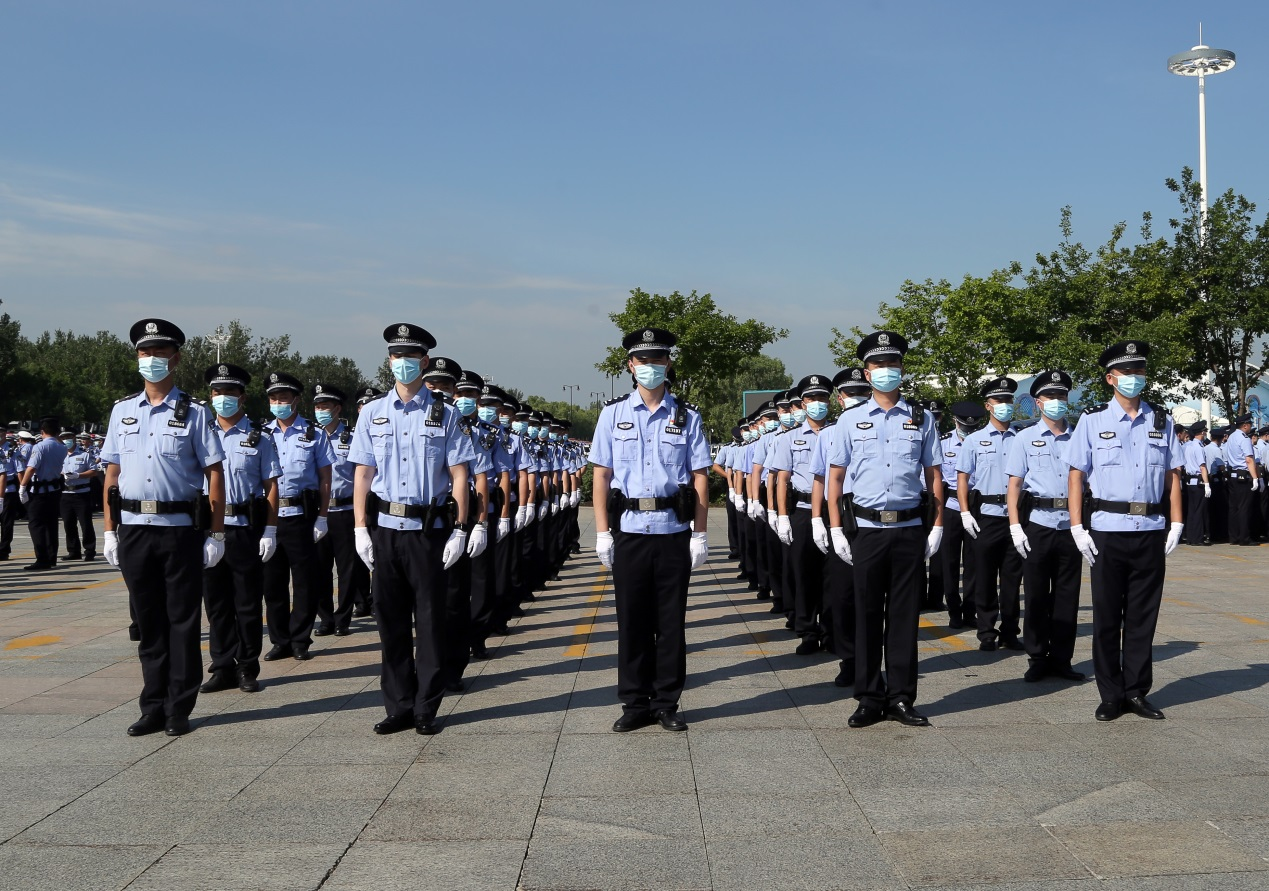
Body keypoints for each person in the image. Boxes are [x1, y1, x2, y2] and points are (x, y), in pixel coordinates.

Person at [100, 318, 226, 737]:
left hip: (179, 530)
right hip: (135, 529)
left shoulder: (196, 413)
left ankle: (179, 706)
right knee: (148, 622)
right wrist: (110, 530)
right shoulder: (122, 411)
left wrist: (216, 533)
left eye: (159, 352)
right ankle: (152, 704)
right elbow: (112, 476)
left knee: (182, 621)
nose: (151, 359)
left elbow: (214, 475)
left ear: (176, 358)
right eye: (144, 352)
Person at [349, 323, 476, 735]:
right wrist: (359, 528)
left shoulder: (445, 413)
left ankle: (426, 706)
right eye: (395, 356)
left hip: (428, 529)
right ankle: (399, 705)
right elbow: (364, 474)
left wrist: (460, 528)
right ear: (389, 361)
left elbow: (459, 474)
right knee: (391, 621)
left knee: (431, 621)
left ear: (423, 361)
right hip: (386, 528)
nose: (402, 364)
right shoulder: (373, 413)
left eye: (410, 357)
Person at [591, 327, 711, 733]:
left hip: (672, 529)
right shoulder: (612, 415)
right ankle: (634, 702)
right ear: (630, 365)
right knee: (631, 620)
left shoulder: (687, 416)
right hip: (629, 530)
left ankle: (666, 702)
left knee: (671, 620)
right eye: (643, 360)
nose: (650, 367)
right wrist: (602, 531)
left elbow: (699, 479)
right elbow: (602, 477)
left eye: (658, 359)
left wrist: (700, 533)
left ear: (668, 364)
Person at [825, 332, 943, 728]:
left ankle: (902, 697)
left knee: (906, 616)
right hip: (867, 530)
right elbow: (835, 478)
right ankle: (869, 697)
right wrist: (837, 529)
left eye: (893, 364)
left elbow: (933, 474)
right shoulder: (849, 419)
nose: (886, 371)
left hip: (909, 527)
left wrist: (937, 525)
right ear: (866, 371)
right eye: (878, 365)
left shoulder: (921, 419)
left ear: (902, 370)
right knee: (867, 614)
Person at [1064, 340, 1184, 722]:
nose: (1135, 378)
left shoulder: (1160, 420)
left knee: (1142, 617)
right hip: (1107, 531)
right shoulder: (1092, 419)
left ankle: (1136, 691)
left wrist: (1177, 522)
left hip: (1150, 528)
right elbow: (1076, 476)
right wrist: (1076, 525)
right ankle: (1110, 694)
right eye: (1128, 372)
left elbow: (1172, 476)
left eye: (1140, 371)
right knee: (1107, 617)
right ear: (1110, 378)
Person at [200, 363, 281, 694]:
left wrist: (270, 531)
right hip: (208, 529)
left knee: (247, 603)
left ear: (242, 397)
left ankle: (247, 666)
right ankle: (221, 665)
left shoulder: (259, 438)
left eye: (229, 392)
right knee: (216, 603)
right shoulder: (200, 433)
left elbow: (272, 486)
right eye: (217, 392)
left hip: (245, 528)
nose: (223, 398)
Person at [1004, 370, 1086, 683]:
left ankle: (1062, 659)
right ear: (1038, 402)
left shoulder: (1080, 436)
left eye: (1062, 396)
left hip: (1071, 525)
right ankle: (1037, 657)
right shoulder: (1024, 437)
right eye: (1051, 397)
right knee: (1037, 595)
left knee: (1068, 596)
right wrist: (1015, 526)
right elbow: (1014, 485)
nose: (1057, 401)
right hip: (1037, 523)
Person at [262, 371, 335, 662]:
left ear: (295, 400)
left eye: (283, 397)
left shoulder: (313, 434)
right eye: (273, 397)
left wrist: (322, 516)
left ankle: (300, 638)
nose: (278, 402)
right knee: (273, 583)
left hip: (301, 516)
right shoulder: (261, 434)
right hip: (270, 518)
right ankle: (280, 640)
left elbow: (325, 478)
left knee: (305, 581)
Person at [810, 366, 873, 688]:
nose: (858, 399)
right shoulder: (830, 433)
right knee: (844, 594)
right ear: (839, 398)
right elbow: (821, 480)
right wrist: (819, 521)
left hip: (878, 520)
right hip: (845, 519)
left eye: (863, 392)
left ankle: (875, 660)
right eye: (851, 393)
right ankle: (850, 659)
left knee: (876, 597)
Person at [956, 377, 1023, 652]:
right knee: (984, 577)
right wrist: (964, 512)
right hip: (986, 515)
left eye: (1008, 400)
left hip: (1016, 517)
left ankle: (1010, 631)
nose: (1005, 405)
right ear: (988, 406)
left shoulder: (1023, 438)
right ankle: (986, 631)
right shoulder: (974, 440)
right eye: (999, 401)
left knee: (1012, 579)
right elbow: (963, 479)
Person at [770, 374, 834, 656]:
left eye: (822, 398)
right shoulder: (790, 439)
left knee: (833, 576)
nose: (816, 403)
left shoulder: (839, 433)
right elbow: (782, 479)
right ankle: (808, 630)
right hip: (803, 511)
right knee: (803, 573)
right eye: (811, 399)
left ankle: (833, 630)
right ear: (803, 403)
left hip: (835, 513)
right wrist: (781, 515)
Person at [312, 383, 369, 636]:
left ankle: (342, 618)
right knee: (320, 568)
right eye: (317, 406)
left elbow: (362, 476)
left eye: (325, 406)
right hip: (318, 512)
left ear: (337, 409)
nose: (321, 410)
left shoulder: (353, 437)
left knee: (347, 569)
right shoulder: (310, 436)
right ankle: (325, 618)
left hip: (345, 511)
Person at [940, 402, 986, 629]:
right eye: (964, 426)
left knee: (973, 563)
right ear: (955, 420)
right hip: (950, 507)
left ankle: (970, 610)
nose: (968, 430)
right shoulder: (943, 443)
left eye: (972, 427)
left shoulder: (983, 443)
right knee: (948, 562)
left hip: (977, 507)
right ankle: (954, 609)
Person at [17, 418, 69, 571]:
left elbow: (32, 468)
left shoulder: (40, 447)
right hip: (54, 490)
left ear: (42, 431)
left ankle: (42, 558)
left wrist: (22, 487)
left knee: (36, 524)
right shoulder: (62, 447)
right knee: (51, 524)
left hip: (39, 491)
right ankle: (52, 557)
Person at [59, 429, 99, 561]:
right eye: (64, 438)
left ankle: (89, 550)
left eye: (69, 437)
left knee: (85, 523)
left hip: (81, 493)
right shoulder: (60, 455)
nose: (66, 440)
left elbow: (94, 471)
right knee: (68, 524)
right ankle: (73, 551)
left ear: (74, 438)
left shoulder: (84, 454)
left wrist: (78, 475)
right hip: (65, 492)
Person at [1222, 413, 1261, 546]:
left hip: (1233, 475)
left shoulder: (1231, 437)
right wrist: (1255, 478)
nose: (1250, 427)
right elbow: (1249, 459)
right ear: (1245, 425)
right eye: (1249, 424)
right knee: (1244, 508)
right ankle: (1244, 538)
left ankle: (1234, 537)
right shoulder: (1244, 439)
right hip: (1244, 476)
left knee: (1234, 508)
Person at [1181, 421, 1211, 546]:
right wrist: (1207, 484)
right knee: (1199, 510)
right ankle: (1197, 538)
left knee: (1192, 510)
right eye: (1204, 431)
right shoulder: (1198, 447)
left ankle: (1191, 536)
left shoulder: (1187, 446)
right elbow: (1202, 467)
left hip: (1190, 481)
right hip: (1198, 481)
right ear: (1201, 432)